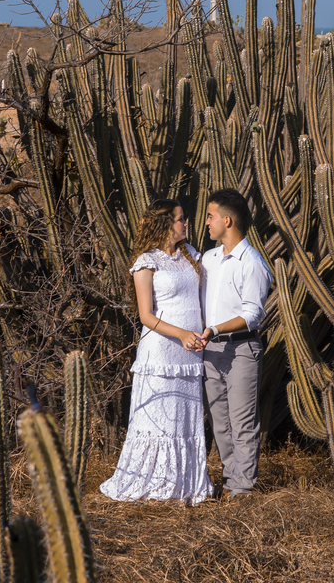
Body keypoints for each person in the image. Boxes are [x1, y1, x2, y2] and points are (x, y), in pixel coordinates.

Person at [100, 199, 213, 504]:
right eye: (180, 219)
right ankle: (154, 484)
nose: (185, 223)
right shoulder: (146, 262)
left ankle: (182, 485)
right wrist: (182, 334)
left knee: (182, 418)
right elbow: (146, 316)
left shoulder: (192, 255)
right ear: (165, 224)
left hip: (190, 353)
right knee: (159, 419)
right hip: (162, 352)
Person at [199, 188, 272, 498]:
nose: (206, 222)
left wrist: (214, 329)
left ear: (227, 221)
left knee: (242, 422)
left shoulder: (252, 263)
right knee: (220, 422)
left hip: (241, 349)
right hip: (210, 349)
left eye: (211, 216)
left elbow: (253, 314)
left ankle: (241, 491)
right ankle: (231, 481)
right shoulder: (208, 259)